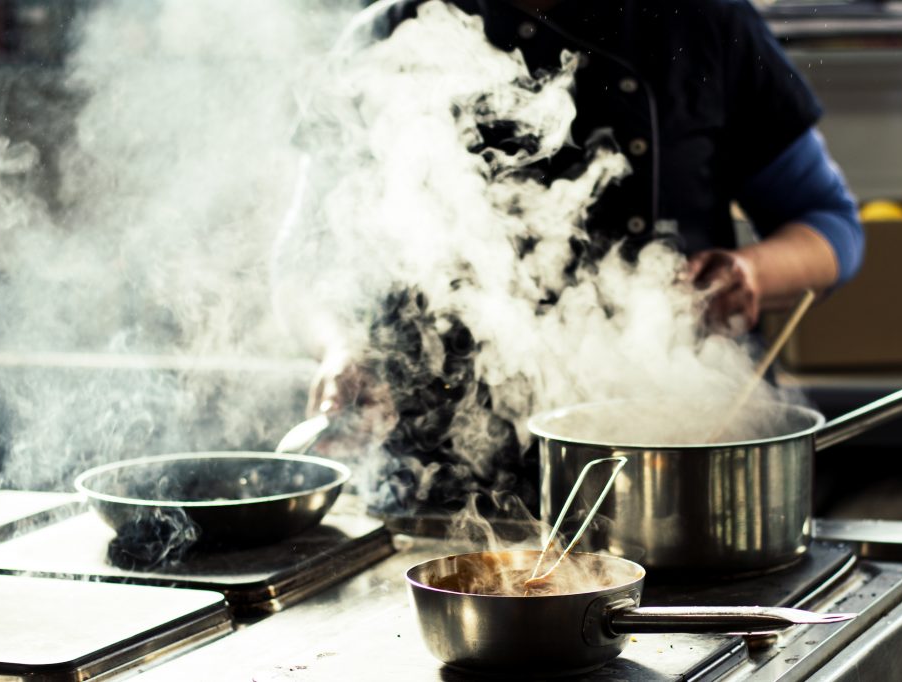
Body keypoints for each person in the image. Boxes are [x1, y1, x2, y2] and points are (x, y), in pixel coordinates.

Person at [315, 0, 864, 515]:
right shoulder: (387, 36)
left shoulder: (702, 19)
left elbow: (832, 224)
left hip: (669, 468)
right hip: (434, 485)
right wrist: (341, 343)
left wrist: (753, 274)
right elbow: (304, 260)